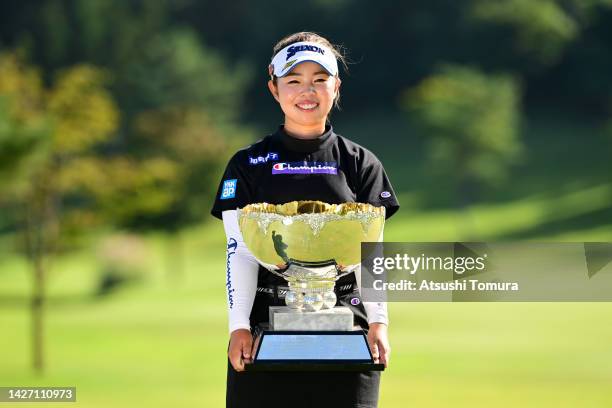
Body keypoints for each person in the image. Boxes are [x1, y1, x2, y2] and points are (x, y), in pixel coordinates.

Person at [211, 31, 400, 408]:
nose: (306, 91)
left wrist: (379, 322)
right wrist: (239, 327)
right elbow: (241, 252)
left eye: (319, 79)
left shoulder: (361, 164)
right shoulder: (246, 166)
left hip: (348, 333)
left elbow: (370, 252)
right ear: (274, 88)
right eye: (293, 80)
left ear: (336, 86)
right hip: (264, 336)